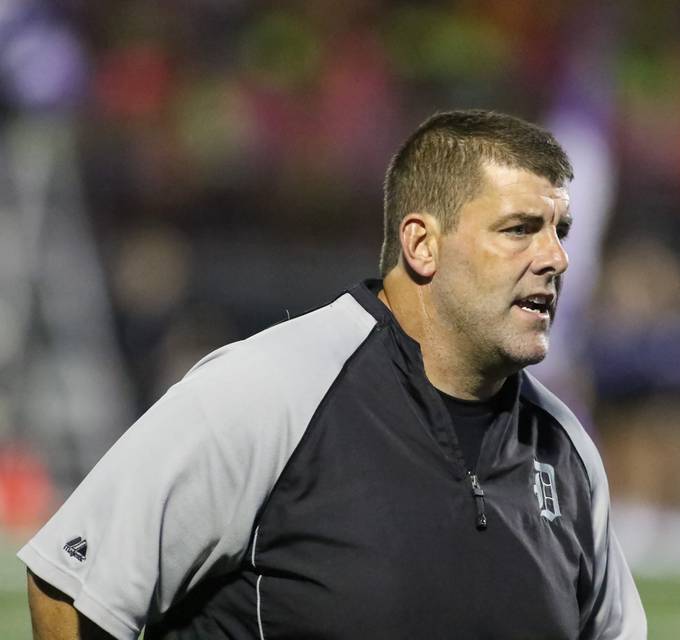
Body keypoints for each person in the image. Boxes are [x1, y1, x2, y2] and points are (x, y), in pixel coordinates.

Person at [20, 109, 646, 639]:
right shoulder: (271, 391)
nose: (557, 259)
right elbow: (72, 584)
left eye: (560, 231)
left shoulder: (564, 452)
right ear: (422, 245)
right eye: (520, 230)